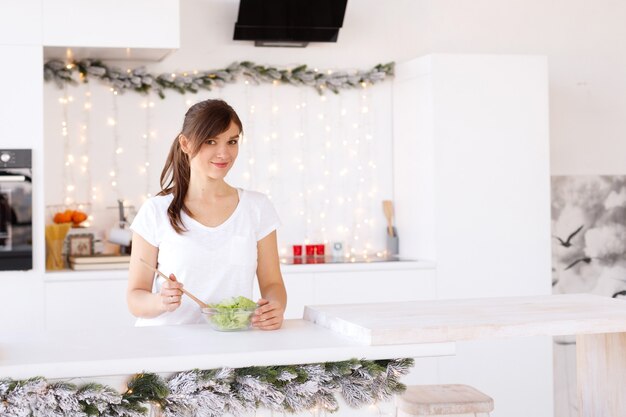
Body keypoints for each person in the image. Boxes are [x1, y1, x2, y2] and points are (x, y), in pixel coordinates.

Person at [127, 99, 286, 330]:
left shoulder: (257, 207)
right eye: (210, 141)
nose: (223, 153)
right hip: (165, 346)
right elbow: (135, 298)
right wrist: (160, 301)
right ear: (185, 143)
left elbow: (273, 283)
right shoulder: (155, 211)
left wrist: (274, 306)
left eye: (231, 141)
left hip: (231, 345)